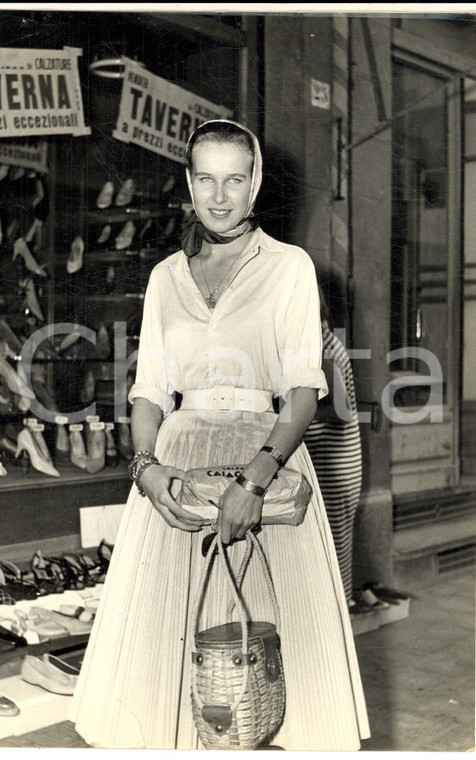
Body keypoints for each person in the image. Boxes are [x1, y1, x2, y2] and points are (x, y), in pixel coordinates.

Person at [70, 120, 370, 750]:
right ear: (188, 181)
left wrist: (253, 482)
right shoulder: (165, 278)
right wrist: (146, 469)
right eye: (205, 178)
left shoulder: (289, 268)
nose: (219, 194)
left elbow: (303, 391)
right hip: (177, 472)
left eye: (235, 178)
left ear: (255, 182)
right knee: (177, 672)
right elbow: (149, 389)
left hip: (264, 467)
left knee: (265, 666)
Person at [303, 287, 363, 610]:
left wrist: (291, 413)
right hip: (337, 465)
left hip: (335, 467)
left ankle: (338, 624)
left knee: (334, 552)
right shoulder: (323, 341)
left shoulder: (322, 347)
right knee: (334, 550)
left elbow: (340, 412)